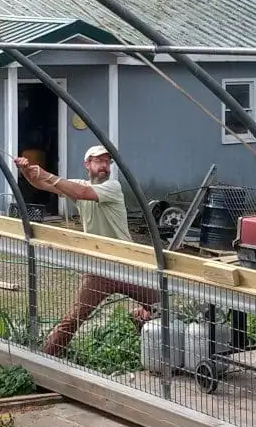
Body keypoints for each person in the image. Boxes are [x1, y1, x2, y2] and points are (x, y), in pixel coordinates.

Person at [14, 144, 158, 357]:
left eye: (107, 162)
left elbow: (81, 192)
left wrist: (45, 174)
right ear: (87, 164)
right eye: (99, 161)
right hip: (98, 267)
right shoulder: (78, 186)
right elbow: (42, 184)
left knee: (160, 307)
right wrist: (27, 172)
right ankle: (45, 360)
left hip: (127, 264)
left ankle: (142, 323)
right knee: (73, 320)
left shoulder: (113, 187)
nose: (105, 166)